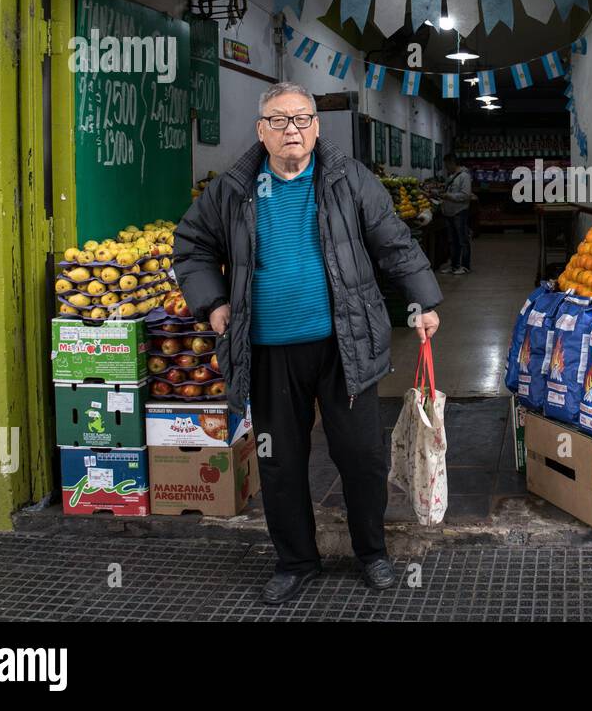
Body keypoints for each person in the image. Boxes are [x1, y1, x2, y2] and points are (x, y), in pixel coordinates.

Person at [173, 82, 442, 604]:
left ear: (317, 127)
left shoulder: (348, 178)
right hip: (270, 351)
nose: (291, 129)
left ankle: (373, 553)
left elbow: (393, 240)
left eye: (301, 119)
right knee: (281, 461)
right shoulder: (233, 188)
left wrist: (423, 299)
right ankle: (296, 560)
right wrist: (213, 302)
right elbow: (192, 245)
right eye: (278, 121)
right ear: (261, 130)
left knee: (363, 457)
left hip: (345, 346)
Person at [437, 153, 473, 274]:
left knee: (463, 240)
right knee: (453, 241)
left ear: (452, 163)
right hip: (449, 212)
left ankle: (465, 265)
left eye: (446, 164)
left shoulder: (464, 176)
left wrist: (448, 196)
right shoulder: (451, 176)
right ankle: (454, 265)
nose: (446, 167)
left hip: (459, 212)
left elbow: (465, 195)